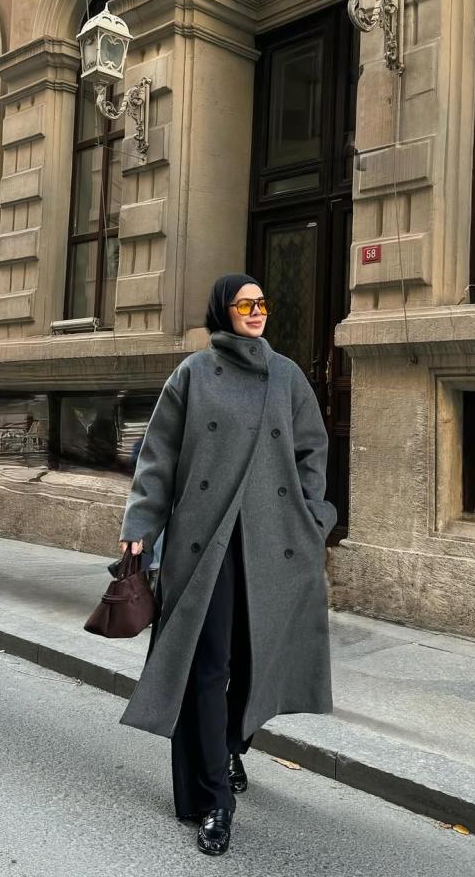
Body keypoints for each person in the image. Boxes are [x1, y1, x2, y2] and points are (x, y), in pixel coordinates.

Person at [118, 273, 337, 857]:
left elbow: (313, 452)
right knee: (208, 666)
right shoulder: (193, 373)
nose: (256, 311)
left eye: (262, 302)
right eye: (245, 304)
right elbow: (157, 458)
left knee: (255, 661)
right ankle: (216, 798)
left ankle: (231, 743)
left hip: (273, 544)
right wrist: (140, 530)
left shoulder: (286, 375)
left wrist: (314, 518)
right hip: (205, 544)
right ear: (223, 311)